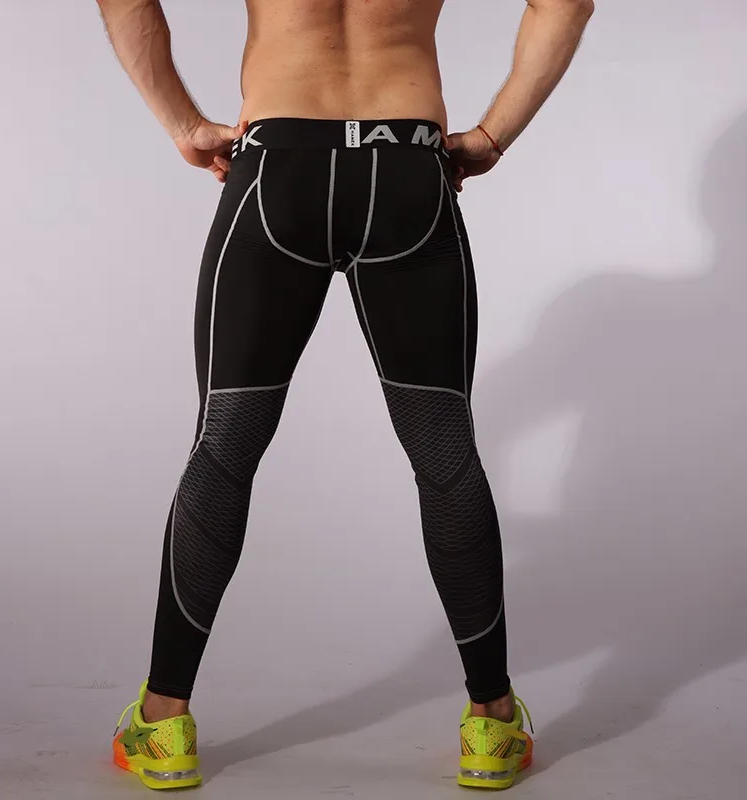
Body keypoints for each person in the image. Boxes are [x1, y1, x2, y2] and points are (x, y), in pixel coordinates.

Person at [96, 0, 594, 791]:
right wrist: (493, 135)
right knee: (445, 450)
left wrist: (185, 124)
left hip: (277, 169)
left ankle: (162, 724)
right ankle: (492, 725)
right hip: (408, 171)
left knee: (225, 446)